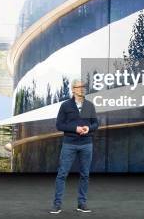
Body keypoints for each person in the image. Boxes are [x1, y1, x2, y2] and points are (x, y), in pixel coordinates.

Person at [50, 79, 99, 214]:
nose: (82, 89)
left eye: (84, 86)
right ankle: (57, 205)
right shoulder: (66, 106)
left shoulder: (89, 106)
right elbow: (59, 125)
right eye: (79, 87)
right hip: (69, 144)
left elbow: (95, 124)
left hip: (86, 144)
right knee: (62, 174)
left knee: (85, 175)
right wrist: (75, 128)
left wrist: (88, 128)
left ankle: (81, 203)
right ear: (73, 89)